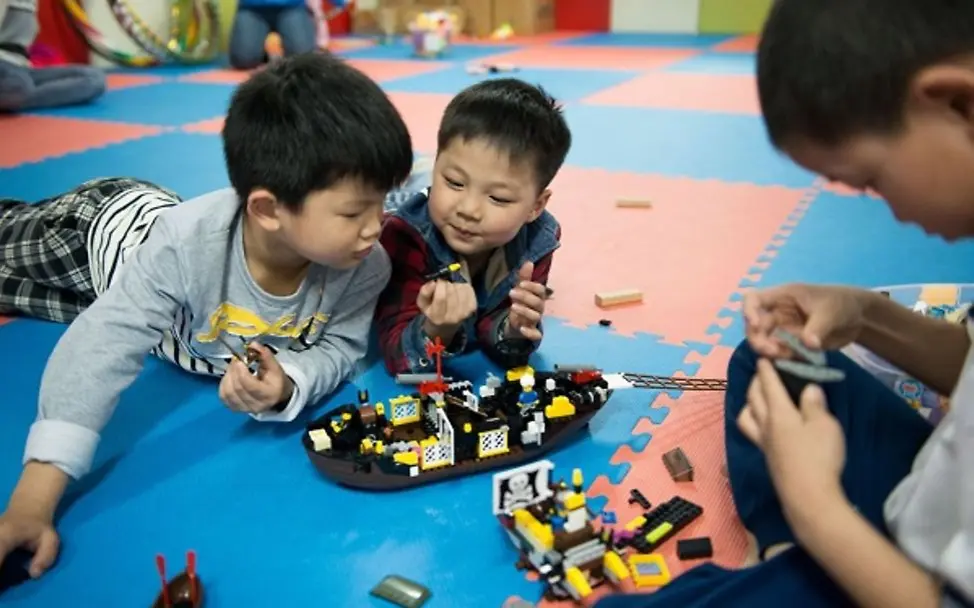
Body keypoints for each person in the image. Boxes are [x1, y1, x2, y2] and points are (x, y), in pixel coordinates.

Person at [595, 1, 974, 607]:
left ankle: (802, 558)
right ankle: (785, 551)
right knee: (768, 358)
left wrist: (817, 509)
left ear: (959, 105)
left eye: (874, 179)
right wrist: (864, 314)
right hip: (932, 495)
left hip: (919, 584)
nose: (888, 208)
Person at [0, 51, 413, 577]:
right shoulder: (183, 246)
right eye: (355, 212)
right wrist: (34, 499)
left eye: (383, 203)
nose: (375, 226)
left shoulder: (363, 262)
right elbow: (101, 345)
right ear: (266, 209)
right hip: (96, 235)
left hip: (159, 320)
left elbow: (341, 348)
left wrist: (289, 384)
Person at [374, 78, 572, 374]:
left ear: (535, 207)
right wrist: (437, 328)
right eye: (454, 182)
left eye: (497, 198)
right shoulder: (405, 236)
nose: (468, 210)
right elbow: (398, 355)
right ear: (437, 164)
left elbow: (499, 335)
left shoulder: (538, 240)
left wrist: (514, 329)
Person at [0, 0, 105, 112]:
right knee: (19, 85)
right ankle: (14, 96)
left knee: (94, 79)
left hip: (21, 68)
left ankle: (15, 97)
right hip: (5, 65)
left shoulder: (31, 5)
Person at [229, 0, 318, 70]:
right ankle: (265, 54)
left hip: (292, 6)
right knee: (243, 60)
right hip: (252, 7)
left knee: (303, 59)